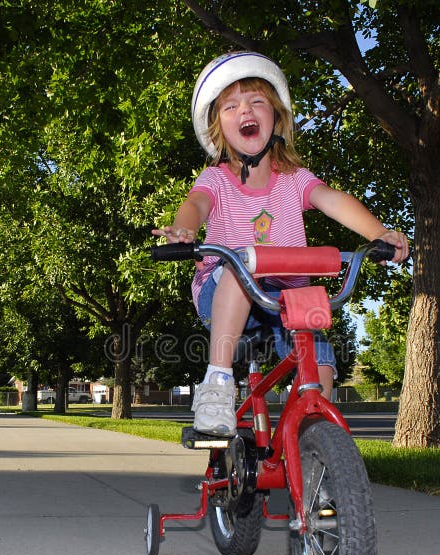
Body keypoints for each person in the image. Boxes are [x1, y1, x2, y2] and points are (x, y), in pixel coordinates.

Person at [153, 51, 409, 437]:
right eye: (231, 105)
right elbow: (195, 204)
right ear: (219, 128)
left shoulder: (295, 179)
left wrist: (379, 233)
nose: (245, 110)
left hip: (287, 294)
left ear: (276, 118)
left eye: (257, 101)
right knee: (239, 269)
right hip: (223, 291)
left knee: (317, 338)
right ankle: (217, 385)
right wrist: (183, 229)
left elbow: (333, 198)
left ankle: (315, 430)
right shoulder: (216, 178)